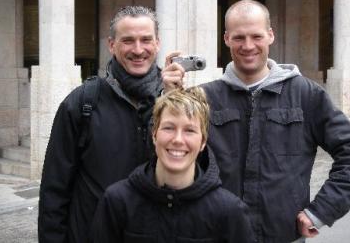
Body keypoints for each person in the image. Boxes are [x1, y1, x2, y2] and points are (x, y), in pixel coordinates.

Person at [167, 0, 350, 243]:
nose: (248, 45)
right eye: (239, 37)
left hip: (283, 236)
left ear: (270, 35)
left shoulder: (305, 94)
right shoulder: (202, 98)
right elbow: (168, 158)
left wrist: (320, 211)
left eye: (256, 36)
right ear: (226, 39)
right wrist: (169, 98)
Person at [38, 6, 182, 243]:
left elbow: (197, 174)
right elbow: (54, 190)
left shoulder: (175, 100)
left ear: (157, 43)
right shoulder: (81, 103)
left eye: (146, 40)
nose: (138, 50)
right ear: (111, 45)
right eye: (128, 41)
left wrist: (173, 101)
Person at [91, 87, 255, 243]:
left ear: (203, 142)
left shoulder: (229, 211)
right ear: (154, 135)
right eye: (169, 128)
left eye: (189, 130)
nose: (177, 139)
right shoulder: (117, 202)